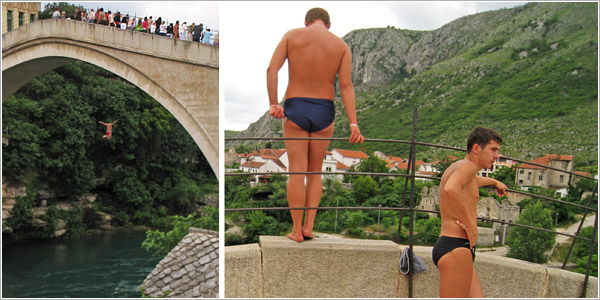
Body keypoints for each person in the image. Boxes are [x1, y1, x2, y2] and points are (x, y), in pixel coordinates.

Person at [267, 8, 364, 242]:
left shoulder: (292, 36)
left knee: (297, 171)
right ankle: (310, 226)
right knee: (315, 172)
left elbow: (272, 69)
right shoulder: (341, 46)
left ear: (306, 22)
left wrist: (273, 103)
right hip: (324, 111)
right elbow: (346, 86)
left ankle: (296, 230)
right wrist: (353, 123)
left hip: (295, 106)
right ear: (328, 25)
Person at [433, 126, 507, 297]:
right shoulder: (467, 167)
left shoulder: (463, 168)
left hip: (457, 247)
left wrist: (494, 182)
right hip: (455, 248)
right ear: (476, 148)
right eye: (493, 150)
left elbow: (473, 181)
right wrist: (470, 225)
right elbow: (451, 189)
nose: (497, 156)